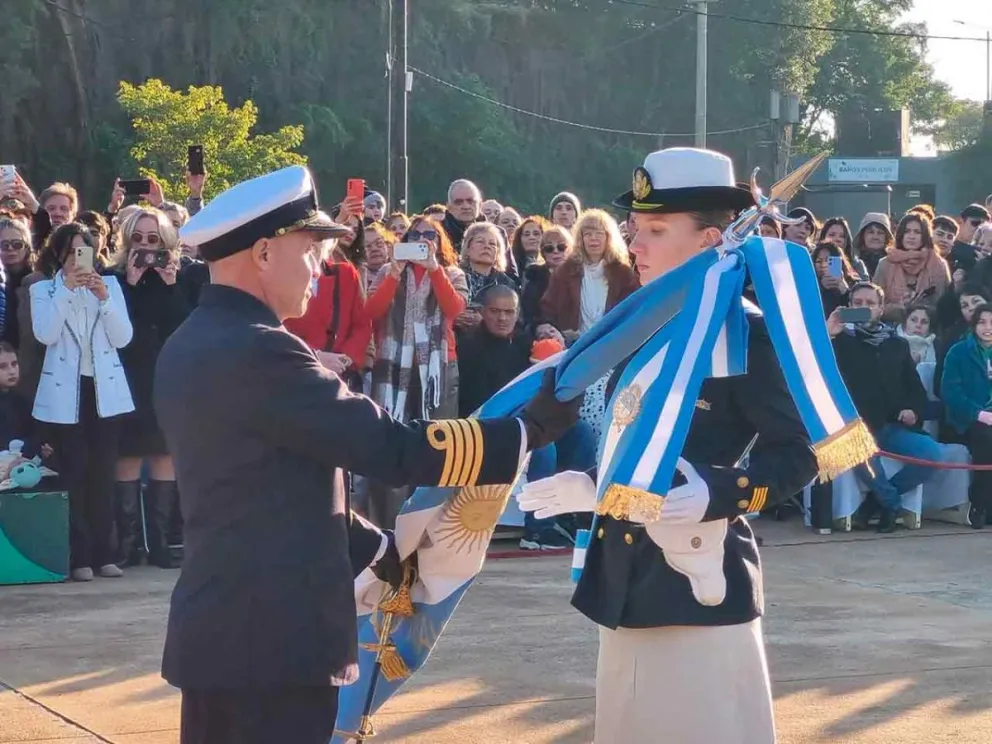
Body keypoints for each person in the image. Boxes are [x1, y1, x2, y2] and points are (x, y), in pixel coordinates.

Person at [154, 165, 578, 744]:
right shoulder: (262, 351)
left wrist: (374, 547)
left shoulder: (191, 343)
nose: (322, 267)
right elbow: (390, 446)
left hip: (227, 634)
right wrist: (524, 432)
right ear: (261, 253)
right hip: (276, 645)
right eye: (310, 250)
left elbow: (261, 483)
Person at [519, 148, 818, 744]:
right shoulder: (643, 324)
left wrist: (721, 490)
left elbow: (800, 453)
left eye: (656, 230)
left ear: (711, 241)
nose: (637, 244)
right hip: (624, 578)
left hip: (697, 580)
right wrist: (596, 486)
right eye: (635, 229)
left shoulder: (746, 333)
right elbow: (635, 439)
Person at [31, 223, 134, 581]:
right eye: (71, 251)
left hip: (105, 392)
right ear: (58, 255)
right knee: (74, 472)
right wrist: (65, 291)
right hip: (64, 394)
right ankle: (80, 557)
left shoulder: (111, 287)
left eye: (84, 250)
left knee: (103, 474)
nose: (78, 259)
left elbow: (123, 338)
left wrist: (104, 297)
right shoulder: (43, 289)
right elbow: (45, 333)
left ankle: (106, 554)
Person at [365, 215, 468, 526]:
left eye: (431, 234)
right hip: (393, 368)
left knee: (437, 444)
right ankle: (390, 526)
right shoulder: (387, 271)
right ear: (404, 241)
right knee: (392, 442)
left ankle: (431, 526)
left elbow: (456, 309)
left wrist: (435, 270)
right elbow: (371, 312)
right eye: (416, 234)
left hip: (437, 369)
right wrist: (394, 273)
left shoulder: (452, 272)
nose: (423, 239)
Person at [113, 208, 191, 569]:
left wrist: (172, 284)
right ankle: (128, 545)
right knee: (127, 456)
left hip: (168, 377)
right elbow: (117, 328)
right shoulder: (113, 278)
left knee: (164, 455)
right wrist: (129, 283)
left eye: (153, 239)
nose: (145, 247)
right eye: (139, 239)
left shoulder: (184, 277)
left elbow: (186, 326)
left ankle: (161, 544)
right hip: (126, 377)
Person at [827, 282, 938, 532]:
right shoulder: (839, 341)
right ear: (849, 307)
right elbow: (815, 369)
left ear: (881, 309)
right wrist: (830, 334)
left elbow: (915, 389)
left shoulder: (896, 344)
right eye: (858, 304)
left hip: (891, 425)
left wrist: (912, 410)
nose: (864, 308)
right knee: (863, 457)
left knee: (933, 455)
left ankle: (876, 503)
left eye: (870, 304)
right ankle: (891, 505)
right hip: (853, 429)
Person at [941, 302, 992, 529]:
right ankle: (980, 505)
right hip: (966, 420)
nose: (987, 328)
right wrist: (979, 414)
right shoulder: (958, 352)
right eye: (982, 322)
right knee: (985, 438)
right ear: (973, 325)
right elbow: (950, 393)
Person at [872, 213, 949, 319]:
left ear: (925, 236)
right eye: (907, 231)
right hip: (890, 327)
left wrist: (919, 307)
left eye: (917, 232)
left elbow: (943, 306)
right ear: (900, 235)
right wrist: (899, 307)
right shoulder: (885, 264)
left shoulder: (938, 265)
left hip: (928, 327)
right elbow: (874, 305)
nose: (911, 236)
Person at [456, 221, 516, 322]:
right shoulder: (454, 276)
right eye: (480, 241)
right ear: (468, 248)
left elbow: (515, 320)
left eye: (492, 244)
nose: (487, 246)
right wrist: (454, 316)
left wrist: (485, 322)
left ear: (498, 253)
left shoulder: (507, 284)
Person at [520, 224, 572, 330]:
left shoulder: (581, 276)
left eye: (561, 247)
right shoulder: (534, 280)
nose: (556, 251)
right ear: (543, 253)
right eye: (549, 248)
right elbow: (530, 316)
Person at [0, 217, 33, 348]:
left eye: (17, 244)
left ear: (27, 247)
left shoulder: (38, 280)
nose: (10, 249)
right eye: (4, 245)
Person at [810, 241, 859, 317]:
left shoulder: (854, 284)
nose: (823, 265)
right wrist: (820, 288)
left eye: (828, 261)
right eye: (819, 261)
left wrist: (844, 290)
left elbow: (859, 315)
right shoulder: (808, 284)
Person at [950, 203, 990, 273]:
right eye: (975, 223)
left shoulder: (985, 252)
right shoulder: (947, 246)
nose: (979, 229)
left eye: (983, 226)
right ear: (961, 222)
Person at [853, 212, 893, 277]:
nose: (875, 237)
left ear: (887, 238)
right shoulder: (853, 264)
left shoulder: (895, 265)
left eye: (880, 233)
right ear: (863, 236)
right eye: (871, 232)